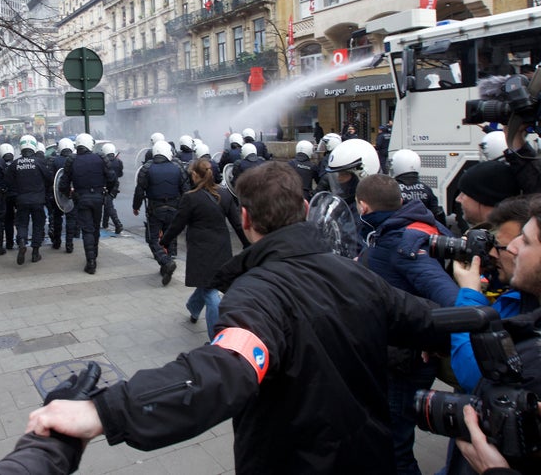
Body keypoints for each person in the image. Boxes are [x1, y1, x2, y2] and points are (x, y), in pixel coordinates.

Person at [26, 161, 448, 473]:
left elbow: (224, 368)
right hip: (370, 458)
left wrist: (104, 411)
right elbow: (430, 319)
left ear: (244, 219)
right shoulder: (358, 274)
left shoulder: (257, 293)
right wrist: (482, 313)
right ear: (304, 208)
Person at [355, 173, 459, 475]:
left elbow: (451, 299)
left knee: (395, 447)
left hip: (405, 360)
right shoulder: (404, 227)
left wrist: (435, 339)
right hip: (399, 354)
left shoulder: (403, 242)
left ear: (363, 207)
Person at [450, 195, 539, 393]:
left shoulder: (526, 310)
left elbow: (476, 376)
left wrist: (469, 299)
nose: (492, 254)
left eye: (524, 241)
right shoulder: (515, 297)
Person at [159, 158, 249, 341]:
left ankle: (216, 338)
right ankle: (193, 308)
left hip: (200, 249)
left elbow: (178, 223)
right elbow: (238, 225)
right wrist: (249, 245)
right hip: (222, 247)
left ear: (194, 175)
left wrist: (165, 242)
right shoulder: (224, 194)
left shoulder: (190, 197)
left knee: (210, 291)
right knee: (207, 283)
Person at [57, 133, 117, 275]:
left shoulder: (72, 160)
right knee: (95, 228)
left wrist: (68, 195)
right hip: (98, 198)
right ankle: (94, 256)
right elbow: (112, 178)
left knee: (87, 230)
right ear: (90, 144)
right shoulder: (100, 158)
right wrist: (108, 191)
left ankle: (91, 261)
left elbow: (63, 183)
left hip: (81, 198)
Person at [133, 139, 187, 285]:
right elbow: (186, 190)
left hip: (155, 209)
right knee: (169, 237)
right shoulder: (178, 167)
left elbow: (139, 190)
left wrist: (135, 207)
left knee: (152, 239)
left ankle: (165, 262)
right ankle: (167, 264)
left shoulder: (147, 168)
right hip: (174, 208)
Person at [4, 135, 52, 265]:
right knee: (37, 225)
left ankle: (21, 242)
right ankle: (35, 252)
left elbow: (8, 182)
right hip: (38, 200)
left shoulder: (15, 164)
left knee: (22, 224)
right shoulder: (40, 162)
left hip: (21, 200)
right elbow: (50, 179)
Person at [455, 160, 521, 228]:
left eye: (464, 194)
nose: (458, 199)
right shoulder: (504, 233)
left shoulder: (502, 237)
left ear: (483, 198)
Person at [390, 149, 447, 226]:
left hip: (401, 231)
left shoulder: (392, 190)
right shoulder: (426, 189)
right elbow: (436, 213)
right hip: (425, 230)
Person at [48, 138, 79, 252]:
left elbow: (52, 179)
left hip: (57, 195)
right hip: (72, 193)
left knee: (57, 219)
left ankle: (57, 242)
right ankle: (69, 244)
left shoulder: (54, 161)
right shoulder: (75, 160)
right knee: (71, 219)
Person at [99, 143, 123, 234]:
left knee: (108, 205)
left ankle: (117, 224)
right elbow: (120, 174)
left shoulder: (103, 162)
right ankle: (105, 224)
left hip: (105, 185)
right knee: (107, 203)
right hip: (115, 186)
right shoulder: (118, 162)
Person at [0, 144, 17, 252]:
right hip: (17, 195)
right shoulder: (16, 164)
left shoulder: (0, 165)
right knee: (20, 219)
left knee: (8, 220)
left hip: (5, 196)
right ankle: (21, 239)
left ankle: (9, 243)